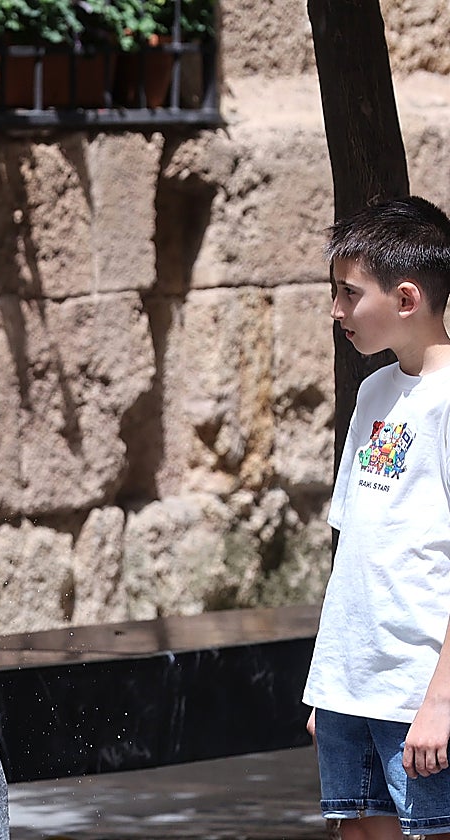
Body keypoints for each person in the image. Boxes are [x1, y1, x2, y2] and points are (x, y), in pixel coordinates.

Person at [303, 195, 450, 840]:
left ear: (408, 298)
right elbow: (357, 542)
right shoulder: (375, 390)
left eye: (349, 292)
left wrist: (442, 699)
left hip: (420, 691)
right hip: (351, 687)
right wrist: (332, 677)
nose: (336, 310)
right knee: (358, 831)